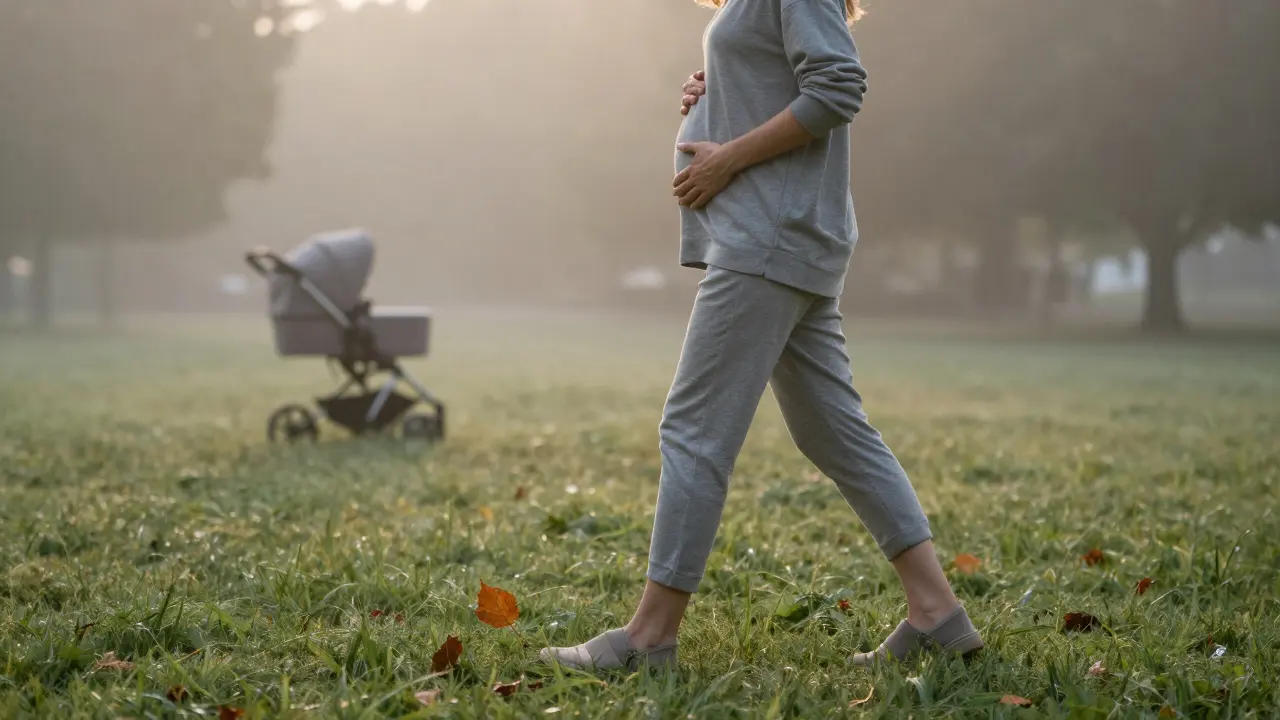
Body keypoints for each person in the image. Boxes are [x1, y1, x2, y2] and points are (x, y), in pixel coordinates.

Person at [540, 0, 982, 671]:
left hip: (766, 242)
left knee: (694, 430)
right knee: (834, 431)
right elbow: (788, 80)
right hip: (787, 240)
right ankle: (938, 613)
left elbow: (837, 87)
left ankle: (649, 637)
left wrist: (727, 159)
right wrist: (721, 87)